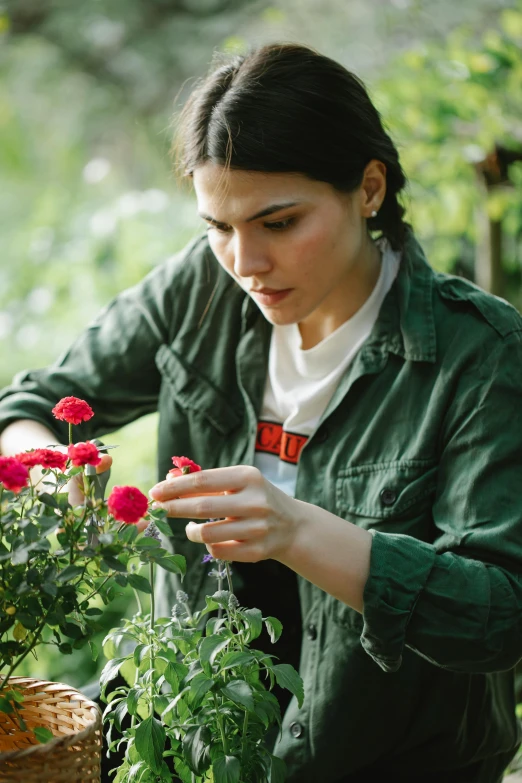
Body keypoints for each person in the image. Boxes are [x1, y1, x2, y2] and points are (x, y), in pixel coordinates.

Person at [1, 41, 522, 783]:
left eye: (278, 223)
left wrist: (296, 527)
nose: (245, 262)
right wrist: (49, 471)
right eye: (219, 226)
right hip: (189, 728)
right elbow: (29, 405)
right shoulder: (199, 291)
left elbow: (499, 614)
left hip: (386, 758)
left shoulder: (480, 353)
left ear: (369, 188)